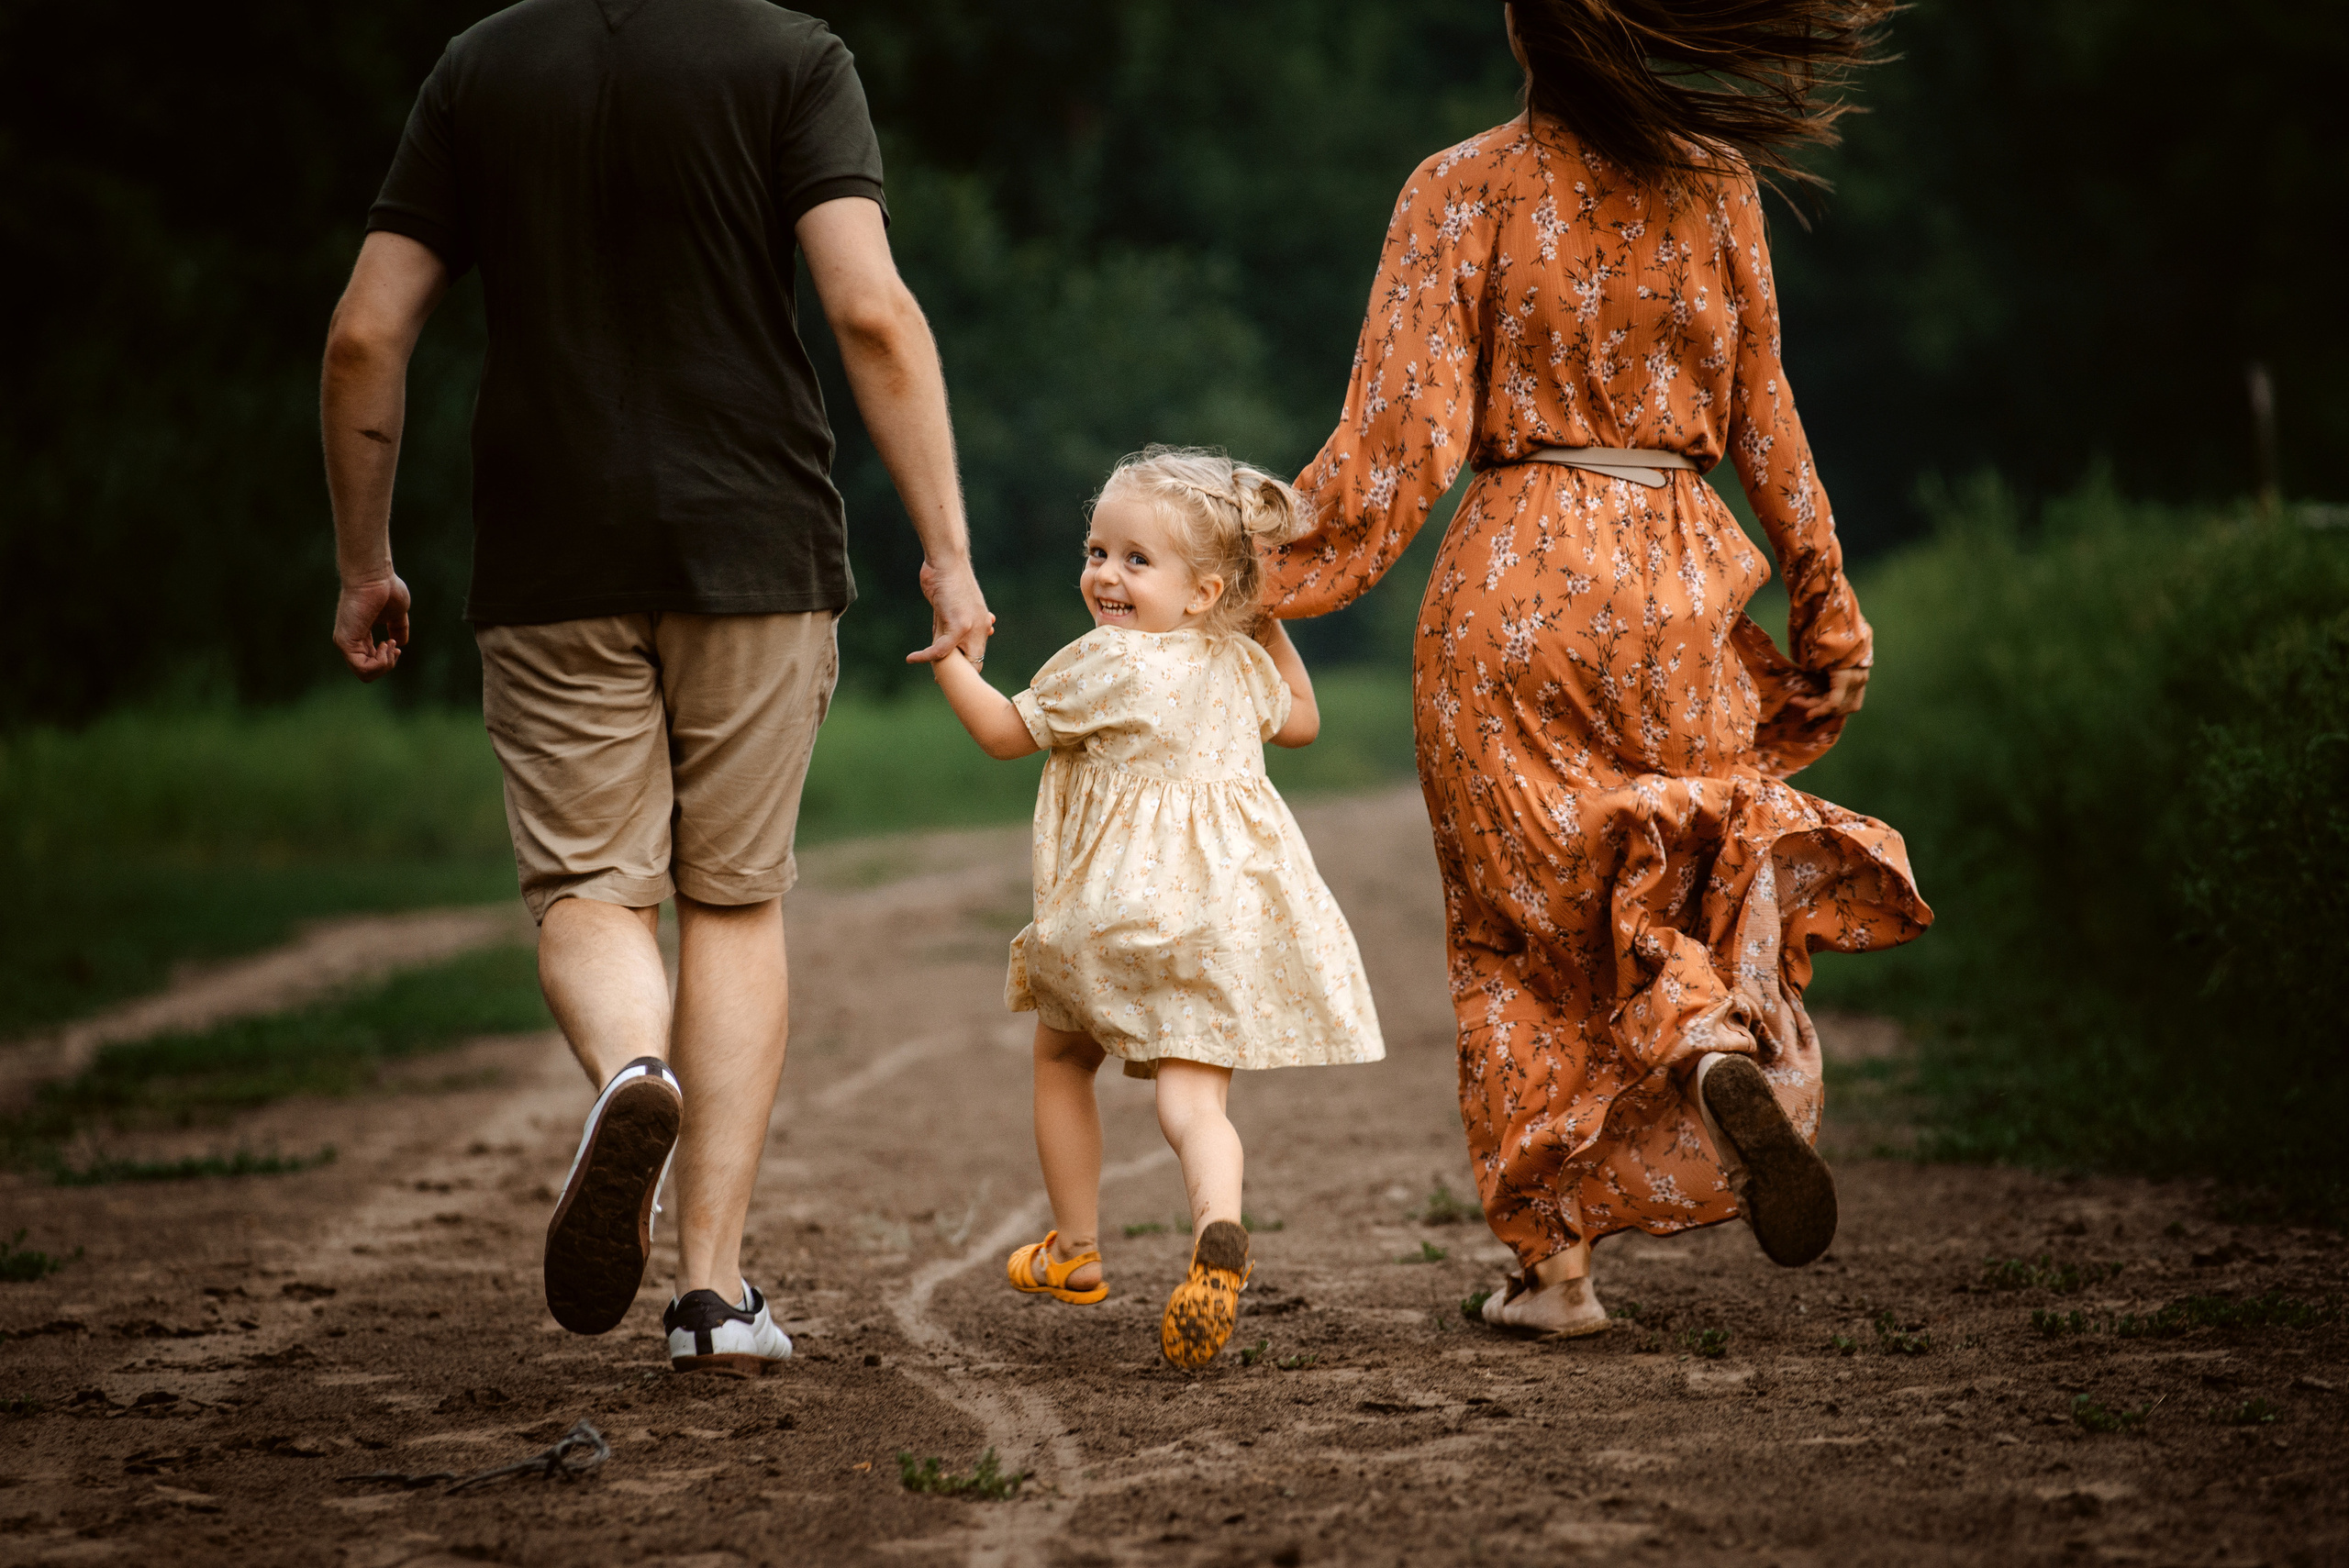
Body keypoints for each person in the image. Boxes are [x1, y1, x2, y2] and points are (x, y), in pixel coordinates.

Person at [318, 0, 990, 1373]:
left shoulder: (481, 67)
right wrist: (949, 552)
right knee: (733, 898)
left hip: (549, 548)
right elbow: (869, 309)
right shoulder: (790, 60)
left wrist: (363, 560)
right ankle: (711, 1295)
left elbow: (363, 338)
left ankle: (635, 1074)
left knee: (588, 885)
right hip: (755, 536)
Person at [1262, 0, 1932, 1337]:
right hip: (1681, 583)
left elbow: (1395, 453)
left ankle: (1552, 1271)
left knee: (1515, 939)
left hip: (1513, 593)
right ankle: (1700, 1035)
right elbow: (1766, 410)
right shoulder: (1719, 183)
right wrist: (1824, 591)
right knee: (1668, 871)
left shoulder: (1461, 187)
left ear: (1526, 32)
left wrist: (1241, 577)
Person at [928, 447, 1384, 1369]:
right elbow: (1302, 720)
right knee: (1193, 1098)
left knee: (1062, 1055)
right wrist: (1266, 625)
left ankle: (1074, 1246)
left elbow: (998, 733)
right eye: (1098, 550)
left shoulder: (1103, 663)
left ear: (1205, 588)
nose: (1105, 574)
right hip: (1224, 920)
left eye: (1137, 559)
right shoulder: (1234, 660)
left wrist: (951, 657)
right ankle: (1218, 1225)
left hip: (1113, 912)